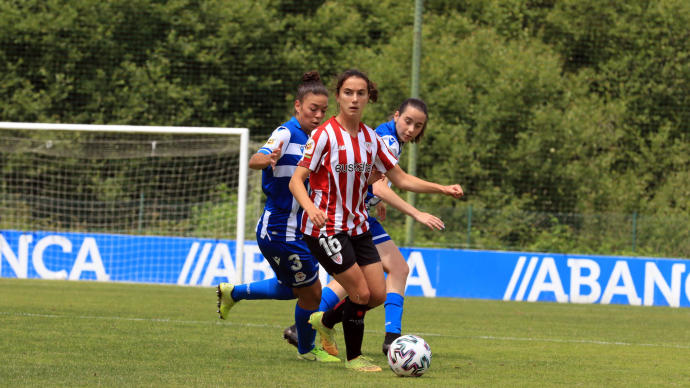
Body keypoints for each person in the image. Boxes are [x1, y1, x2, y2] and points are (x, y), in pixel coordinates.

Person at [289, 69, 463, 372]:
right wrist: (310, 207)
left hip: (358, 226)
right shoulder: (323, 135)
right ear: (339, 96)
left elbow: (401, 179)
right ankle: (354, 358)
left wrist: (442, 189)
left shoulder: (372, 138)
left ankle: (324, 321)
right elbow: (297, 180)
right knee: (361, 293)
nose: (354, 99)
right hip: (325, 228)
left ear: (369, 97)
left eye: (361, 93)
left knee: (378, 295)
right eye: (348, 93)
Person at [216, 71, 339, 363]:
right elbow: (256, 158)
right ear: (298, 106)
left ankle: (234, 292)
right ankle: (308, 350)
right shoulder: (286, 132)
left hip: (301, 229)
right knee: (312, 292)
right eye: (313, 109)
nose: (319, 115)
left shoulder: (318, 139)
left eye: (323, 110)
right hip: (281, 230)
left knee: (292, 288)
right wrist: (267, 158)